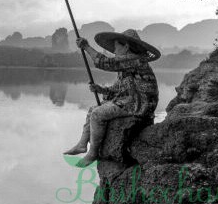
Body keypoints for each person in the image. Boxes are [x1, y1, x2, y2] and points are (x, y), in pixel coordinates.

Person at [63, 29, 160, 167]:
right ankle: (82, 144)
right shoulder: (127, 64)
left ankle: (93, 153)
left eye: (116, 46)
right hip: (131, 99)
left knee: (98, 114)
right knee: (93, 108)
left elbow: (105, 63)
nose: (114, 49)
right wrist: (101, 89)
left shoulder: (135, 59)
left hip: (140, 104)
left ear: (126, 46)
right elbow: (118, 89)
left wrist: (86, 47)